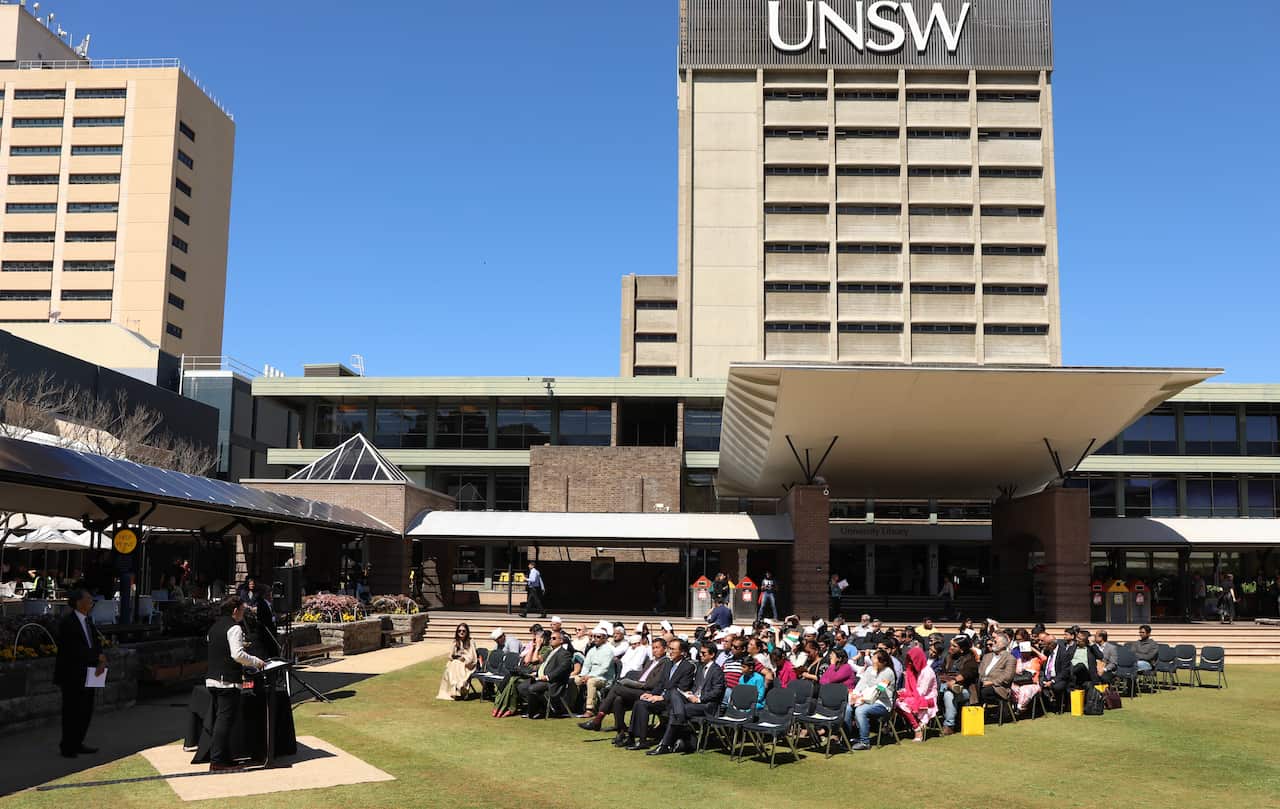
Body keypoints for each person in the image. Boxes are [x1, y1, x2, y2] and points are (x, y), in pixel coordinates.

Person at [204, 596, 268, 771]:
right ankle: (217, 761)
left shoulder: (214, 627)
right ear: (235, 610)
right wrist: (257, 661)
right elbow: (237, 654)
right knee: (224, 721)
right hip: (227, 681)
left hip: (212, 679)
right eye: (242, 610)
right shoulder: (234, 628)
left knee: (221, 719)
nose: (243, 613)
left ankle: (223, 757)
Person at [579, 638, 671, 737]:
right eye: (653, 648)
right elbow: (642, 677)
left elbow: (654, 683)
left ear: (665, 649)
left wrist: (634, 684)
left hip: (649, 692)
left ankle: (598, 718)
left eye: (657, 648)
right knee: (618, 699)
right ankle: (620, 731)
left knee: (617, 688)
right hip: (639, 688)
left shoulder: (665, 663)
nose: (655, 650)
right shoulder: (650, 662)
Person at [54, 588, 106, 759]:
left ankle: (78, 742)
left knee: (86, 709)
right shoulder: (68, 623)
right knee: (72, 710)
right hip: (72, 673)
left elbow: (95, 642)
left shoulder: (88, 622)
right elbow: (73, 649)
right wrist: (95, 656)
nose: (91, 602)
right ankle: (68, 746)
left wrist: (101, 659)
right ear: (78, 602)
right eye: (88, 599)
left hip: (90, 671)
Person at [649, 641, 725, 755]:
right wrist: (690, 693)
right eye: (700, 653)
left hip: (707, 705)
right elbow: (696, 686)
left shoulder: (717, 671)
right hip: (693, 701)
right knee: (674, 692)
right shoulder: (700, 667)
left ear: (712, 655)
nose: (700, 655)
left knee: (676, 711)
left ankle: (665, 743)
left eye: (704, 653)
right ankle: (679, 730)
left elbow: (717, 692)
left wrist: (699, 699)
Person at [624, 638, 695, 749]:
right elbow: (661, 684)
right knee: (639, 702)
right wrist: (652, 694)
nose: (670, 652)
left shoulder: (688, 667)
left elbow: (681, 689)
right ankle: (632, 736)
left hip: (673, 701)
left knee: (642, 705)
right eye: (669, 649)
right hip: (661, 698)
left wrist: (661, 697)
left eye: (673, 649)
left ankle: (642, 740)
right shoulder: (668, 664)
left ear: (682, 652)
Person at [516, 630, 572, 718]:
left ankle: (536, 712)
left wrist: (548, 677)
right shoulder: (550, 652)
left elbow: (562, 669)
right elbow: (538, 662)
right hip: (540, 678)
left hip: (553, 682)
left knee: (532, 688)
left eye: (554, 638)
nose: (551, 640)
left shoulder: (564, 654)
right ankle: (539, 708)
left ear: (561, 640)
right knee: (521, 686)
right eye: (550, 638)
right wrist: (536, 673)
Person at [847, 649, 895, 751]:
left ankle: (865, 742)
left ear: (884, 662)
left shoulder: (888, 673)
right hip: (864, 699)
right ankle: (847, 737)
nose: (873, 663)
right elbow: (862, 684)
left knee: (861, 710)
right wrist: (855, 695)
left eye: (875, 661)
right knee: (847, 708)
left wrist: (874, 672)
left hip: (882, 703)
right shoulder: (869, 669)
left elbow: (879, 690)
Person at [895, 646, 938, 742]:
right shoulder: (914, 671)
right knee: (896, 702)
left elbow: (921, 691)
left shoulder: (927, 672)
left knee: (902, 704)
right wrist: (903, 692)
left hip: (927, 698)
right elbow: (911, 688)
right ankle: (914, 725)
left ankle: (917, 728)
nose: (910, 663)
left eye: (912, 660)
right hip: (914, 695)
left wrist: (905, 694)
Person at [939, 634, 978, 735]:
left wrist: (954, 681)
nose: (950, 648)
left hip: (965, 690)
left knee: (949, 693)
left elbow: (967, 674)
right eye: (951, 645)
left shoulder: (970, 659)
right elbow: (941, 672)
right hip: (947, 685)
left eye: (954, 646)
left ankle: (949, 726)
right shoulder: (948, 657)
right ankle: (949, 725)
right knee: (949, 694)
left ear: (962, 649)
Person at [574, 627, 617, 716]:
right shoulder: (592, 650)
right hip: (590, 676)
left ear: (604, 638)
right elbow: (586, 666)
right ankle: (572, 705)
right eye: (594, 636)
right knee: (574, 679)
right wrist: (583, 675)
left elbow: (604, 668)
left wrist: (589, 676)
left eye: (598, 637)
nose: (595, 639)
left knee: (591, 682)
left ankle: (590, 709)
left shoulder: (609, 650)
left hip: (604, 679)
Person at [437, 623, 479, 700]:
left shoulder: (471, 642)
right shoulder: (455, 642)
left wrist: (464, 658)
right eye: (459, 631)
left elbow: (473, 657)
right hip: (456, 663)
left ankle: (459, 688)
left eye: (463, 631)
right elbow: (450, 655)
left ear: (467, 632)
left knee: (455, 665)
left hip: (468, 665)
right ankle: (455, 690)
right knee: (453, 664)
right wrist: (455, 657)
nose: (461, 632)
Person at [1010, 629, 1044, 714]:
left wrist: (1032, 649)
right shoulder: (1015, 651)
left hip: (1031, 681)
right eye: (1016, 640)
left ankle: (1020, 707)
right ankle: (1016, 707)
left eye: (1020, 639)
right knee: (1012, 687)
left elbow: (1043, 659)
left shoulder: (1033, 652)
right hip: (1018, 679)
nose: (1018, 642)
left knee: (1025, 689)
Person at [977, 633, 1017, 706]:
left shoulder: (1010, 658)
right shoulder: (987, 656)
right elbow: (980, 671)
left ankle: (1003, 706)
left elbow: (1008, 676)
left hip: (998, 687)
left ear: (1003, 644)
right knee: (972, 688)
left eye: (995, 642)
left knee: (985, 691)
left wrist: (991, 682)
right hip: (982, 683)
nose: (992, 643)